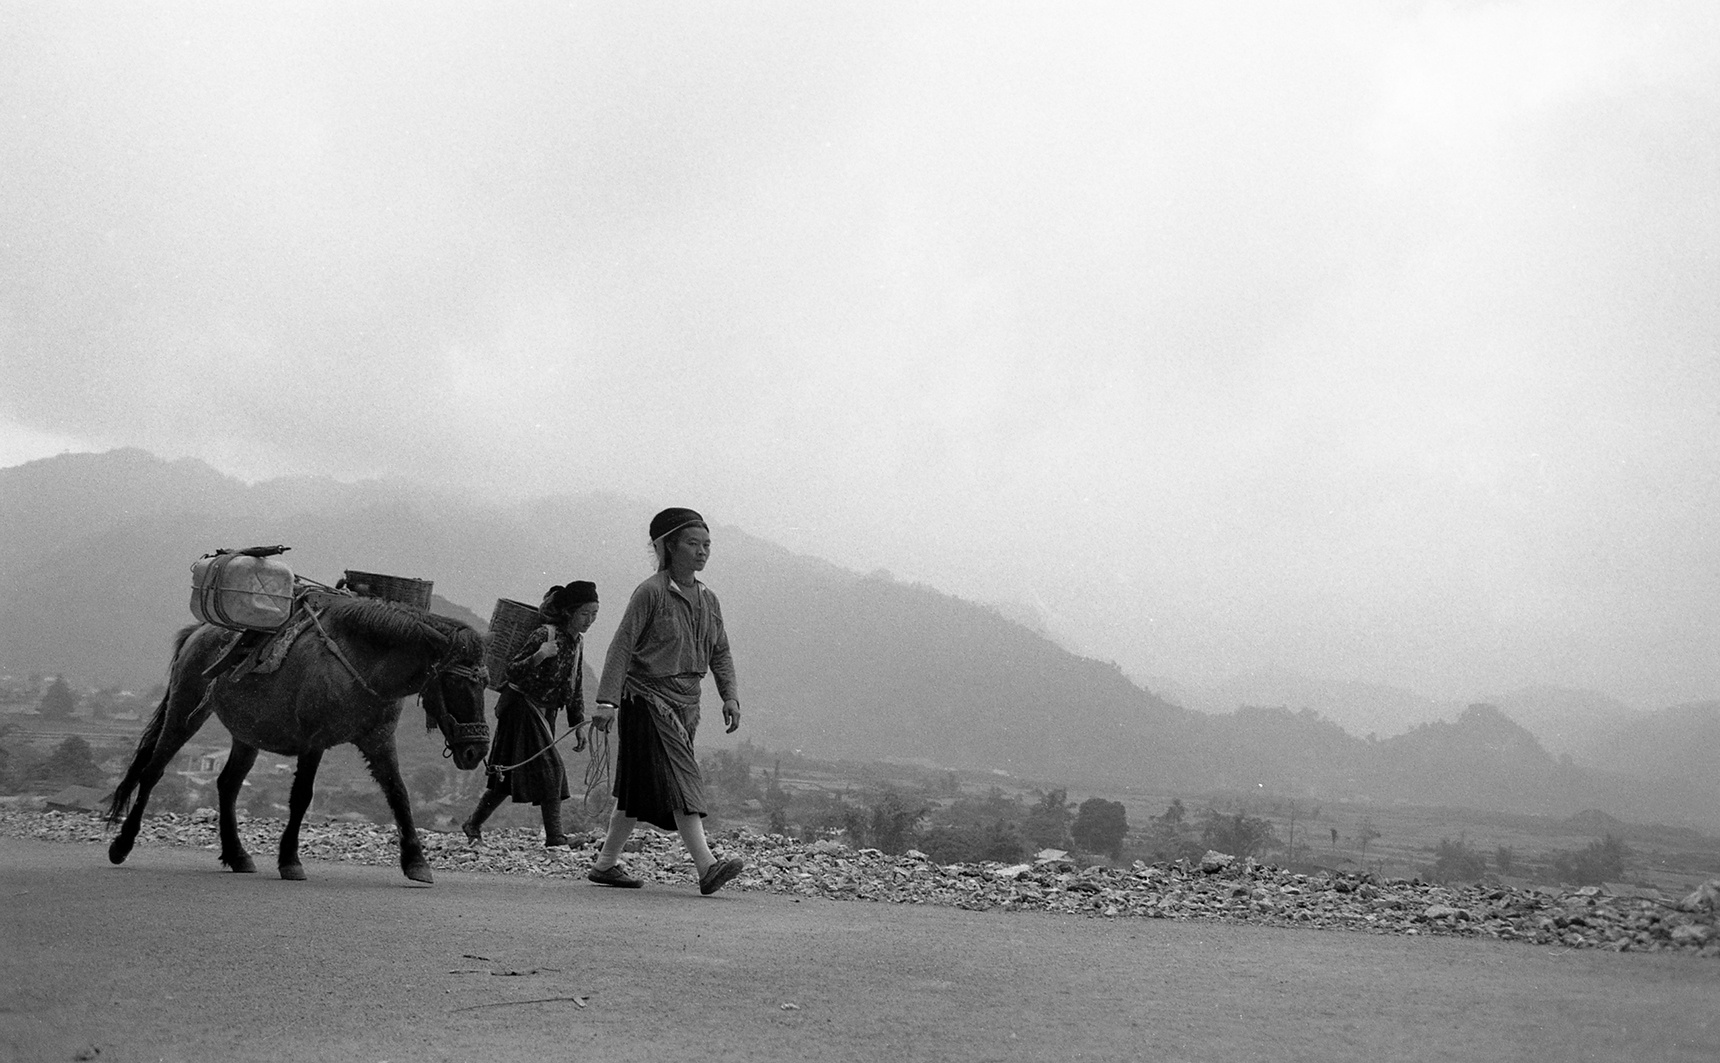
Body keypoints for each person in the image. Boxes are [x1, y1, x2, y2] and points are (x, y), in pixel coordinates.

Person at [586, 507, 744, 895]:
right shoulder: (651, 592)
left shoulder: (709, 599)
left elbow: (719, 650)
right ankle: (707, 867)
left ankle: (605, 864)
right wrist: (607, 702)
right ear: (668, 546)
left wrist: (730, 695)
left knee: (637, 789)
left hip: (687, 702)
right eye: (693, 543)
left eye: (707, 544)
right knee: (680, 777)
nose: (702, 551)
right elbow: (622, 644)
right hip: (647, 700)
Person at [461, 581, 599, 848]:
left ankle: (473, 823)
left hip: (547, 713)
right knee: (553, 768)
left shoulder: (577, 643)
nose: (590, 620)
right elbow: (513, 670)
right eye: (585, 614)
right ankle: (555, 837)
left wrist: (578, 724)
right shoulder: (543, 636)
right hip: (523, 708)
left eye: (594, 614)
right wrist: (539, 655)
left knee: (508, 777)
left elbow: (575, 683)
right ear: (569, 612)